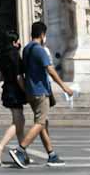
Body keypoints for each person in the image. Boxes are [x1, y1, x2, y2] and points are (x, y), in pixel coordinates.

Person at [14, 20, 70, 166]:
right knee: (40, 123)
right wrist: (64, 87)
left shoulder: (26, 49)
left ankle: (51, 154)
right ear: (43, 34)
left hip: (30, 91)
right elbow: (50, 69)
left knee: (43, 123)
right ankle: (20, 149)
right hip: (40, 91)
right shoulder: (39, 49)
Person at [0, 32, 29, 165]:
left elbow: (0, 75)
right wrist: (26, 91)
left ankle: (23, 155)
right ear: (14, 42)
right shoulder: (14, 55)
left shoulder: (3, 55)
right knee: (18, 123)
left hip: (7, 91)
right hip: (15, 92)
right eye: (17, 41)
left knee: (20, 122)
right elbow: (18, 77)